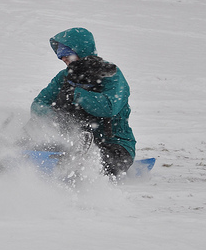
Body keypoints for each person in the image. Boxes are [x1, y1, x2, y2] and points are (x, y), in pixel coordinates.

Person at [29, 27, 136, 176]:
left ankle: (80, 159)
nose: (62, 58)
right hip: (70, 140)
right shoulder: (64, 76)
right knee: (34, 141)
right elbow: (39, 103)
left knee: (100, 159)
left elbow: (109, 107)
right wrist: (53, 117)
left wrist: (77, 94)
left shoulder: (111, 75)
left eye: (66, 53)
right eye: (59, 54)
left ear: (81, 50)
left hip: (114, 144)